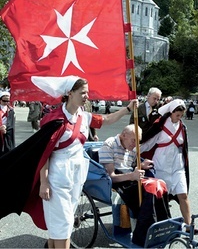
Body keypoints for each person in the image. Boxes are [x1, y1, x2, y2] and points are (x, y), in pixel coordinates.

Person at [0, 76, 138, 249]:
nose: (87, 96)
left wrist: (127, 109)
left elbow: (106, 120)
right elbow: (43, 154)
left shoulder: (84, 116)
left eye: (87, 92)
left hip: (76, 178)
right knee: (64, 227)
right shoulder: (55, 119)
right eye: (82, 92)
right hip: (58, 179)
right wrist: (44, 182)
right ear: (70, 93)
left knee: (60, 225)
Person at [98, 124, 170, 246]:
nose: (135, 144)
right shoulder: (109, 145)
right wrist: (132, 175)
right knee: (150, 188)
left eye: (138, 141)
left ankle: (163, 227)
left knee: (160, 184)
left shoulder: (131, 148)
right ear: (124, 135)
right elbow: (111, 177)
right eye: (133, 140)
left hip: (130, 179)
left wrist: (141, 166)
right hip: (118, 183)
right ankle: (142, 234)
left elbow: (130, 168)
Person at [140, 99, 198, 235]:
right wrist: (133, 151)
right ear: (171, 113)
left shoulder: (183, 128)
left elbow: (184, 147)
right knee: (160, 199)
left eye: (181, 115)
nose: (179, 118)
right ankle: (161, 226)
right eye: (177, 115)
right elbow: (148, 142)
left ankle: (188, 225)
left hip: (177, 166)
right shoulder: (160, 125)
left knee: (183, 195)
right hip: (161, 166)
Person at [0, 91, 15, 157]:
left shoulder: (11, 110)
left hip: (7, 132)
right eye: (4, 101)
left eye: (7, 101)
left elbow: (12, 123)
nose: (6, 103)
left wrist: (6, 127)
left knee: (8, 150)